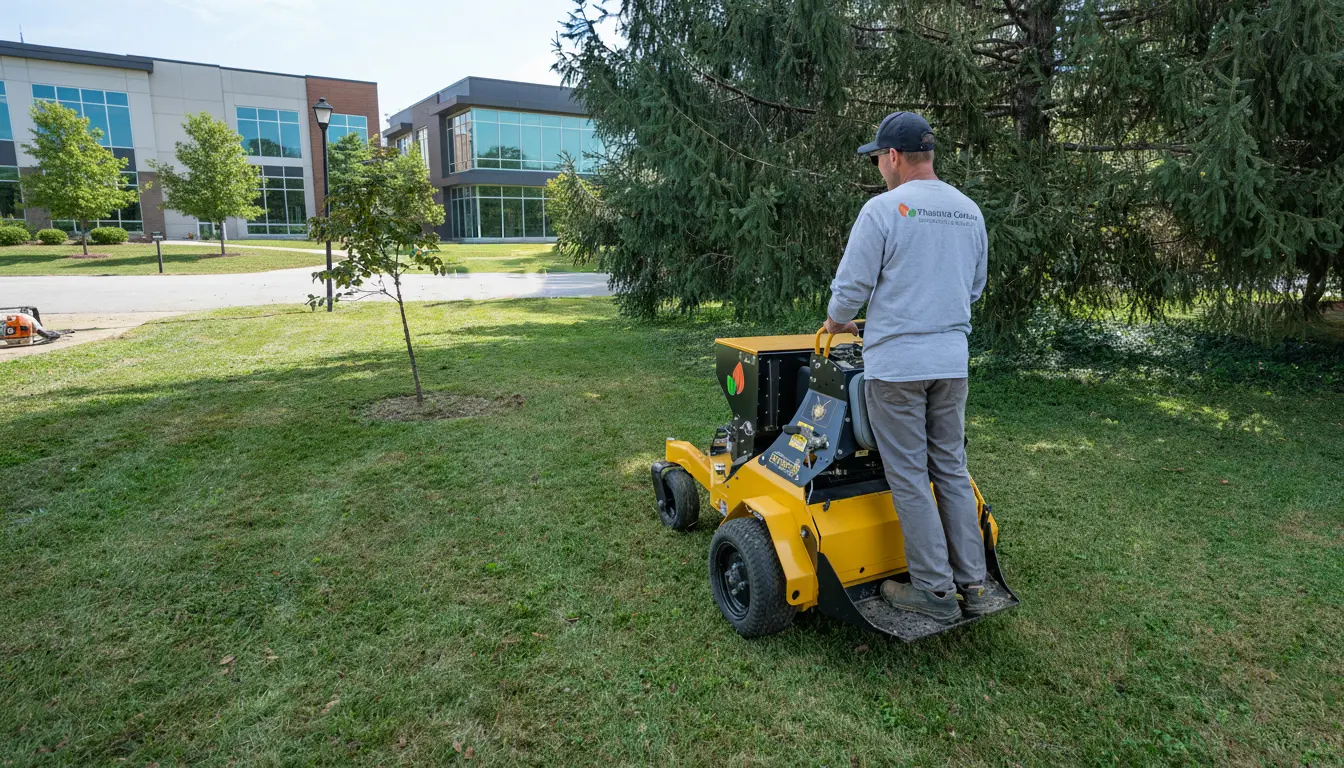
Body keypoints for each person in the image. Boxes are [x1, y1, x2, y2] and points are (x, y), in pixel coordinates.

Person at [823, 111, 1000, 623]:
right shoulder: (969, 212)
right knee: (949, 467)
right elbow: (973, 287)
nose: (879, 168)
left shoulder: (883, 210)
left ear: (894, 157)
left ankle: (934, 592)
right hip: (951, 362)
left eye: (879, 158)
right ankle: (974, 583)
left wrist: (838, 322)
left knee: (907, 475)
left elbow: (851, 288)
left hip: (898, 369)